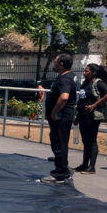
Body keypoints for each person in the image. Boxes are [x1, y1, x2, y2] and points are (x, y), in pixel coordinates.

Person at [44, 53, 78, 183]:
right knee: (57, 142)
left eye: (55, 62)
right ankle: (63, 168)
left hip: (61, 117)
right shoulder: (67, 76)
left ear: (61, 64)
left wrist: (54, 112)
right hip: (62, 116)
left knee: (59, 143)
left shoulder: (65, 79)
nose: (54, 64)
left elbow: (64, 97)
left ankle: (60, 173)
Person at [74, 62, 107, 175]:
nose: (84, 72)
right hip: (83, 115)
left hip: (93, 116)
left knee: (91, 140)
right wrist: (77, 116)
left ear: (94, 73)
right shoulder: (85, 83)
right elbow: (82, 99)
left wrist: (94, 105)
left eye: (87, 71)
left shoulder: (98, 83)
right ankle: (84, 164)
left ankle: (91, 167)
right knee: (85, 140)